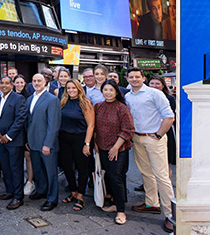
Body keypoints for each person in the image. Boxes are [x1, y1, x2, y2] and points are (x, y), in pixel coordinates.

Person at [125, 69, 176, 232]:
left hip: (154, 138)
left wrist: (159, 134)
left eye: (137, 77)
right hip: (138, 138)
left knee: (161, 176)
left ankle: (170, 215)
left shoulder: (155, 94)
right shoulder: (128, 96)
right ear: (127, 78)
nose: (134, 79)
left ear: (143, 78)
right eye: (131, 77)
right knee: (146, 172)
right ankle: (152, 203)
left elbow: (169, 116)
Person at [94, 80, 134, 225]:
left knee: (116, 177)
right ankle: (116, 203)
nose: (108, 93)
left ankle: (121, 211)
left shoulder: (122, 108)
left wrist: (116, 147)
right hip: (102, 147)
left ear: (116, 92)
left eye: (111, 90)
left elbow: (128, 130)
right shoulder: (98, 106)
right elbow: (95, 127)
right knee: (109, 177)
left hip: (118, 149)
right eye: (105, 90)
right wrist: (95, 144)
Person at [57, 80, 95, 211]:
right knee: (67, 167)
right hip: (64, 139)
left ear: (79, 88)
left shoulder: (85, 103)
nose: (71, 90)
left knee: (82, 167)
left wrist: (87, 143)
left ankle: (80, 196)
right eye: (68, 88)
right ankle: (73, 192)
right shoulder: (63, 102)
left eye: (74, 88)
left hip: (80, 138)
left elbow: (91, 125)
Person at [26, 73, 62, 211]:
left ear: (45, 82)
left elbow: (53, 124)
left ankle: (52, 199)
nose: (36, 83)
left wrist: (48, 144)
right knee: (38, 170)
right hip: (33, 142)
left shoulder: (52, 99)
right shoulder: (29, 99)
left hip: (47, 143)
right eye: (34, 80)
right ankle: (41, 190)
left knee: (50, 172)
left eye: (39, 80)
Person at [0, 76, 28, 210]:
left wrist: (8, 136)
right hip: (0, 140)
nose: (3, 85)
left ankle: (18, 197)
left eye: (7, 83)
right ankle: (9, 191)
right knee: (5, 167)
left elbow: (20, 119)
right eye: (2, 83)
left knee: (15, 168)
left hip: (14, 140)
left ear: (12, 85)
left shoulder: (18, 98)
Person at [147, 76, 176, 168]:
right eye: (152, 83)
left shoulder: (169, 98)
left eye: (157, 84)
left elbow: (170, 116)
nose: (154, 86)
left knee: (164, 162)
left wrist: (159, 133)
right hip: (148, 130)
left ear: (163, 85)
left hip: (164, 130)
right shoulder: (144, 97)